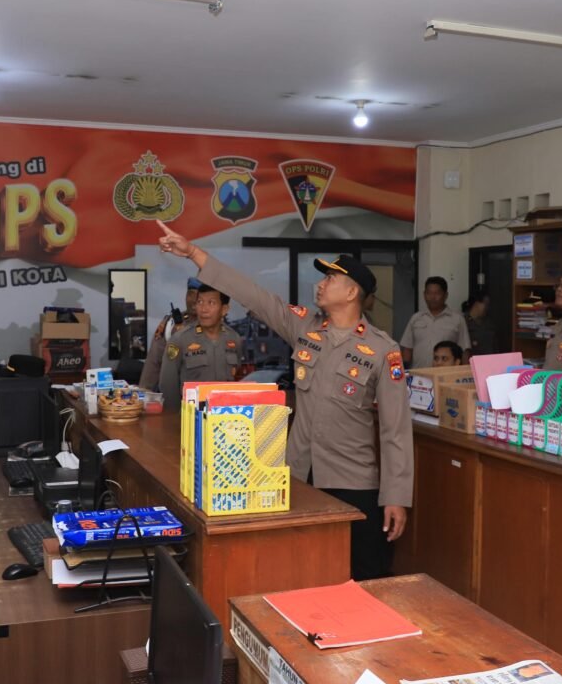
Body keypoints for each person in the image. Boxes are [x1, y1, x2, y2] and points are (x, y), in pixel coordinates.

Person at [156, 221, 413, 581]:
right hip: (298, 477)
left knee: (361, 577)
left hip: (354, 483)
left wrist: (396, 496)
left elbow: (395, 430)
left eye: (330, 279)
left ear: (352, 292)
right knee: (298, 572)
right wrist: (194, 253)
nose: (320, 284)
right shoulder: (305, 327)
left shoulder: (383, 350)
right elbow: (254, 295)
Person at [159, 284, 243, 408]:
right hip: (191, 415)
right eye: (200, 302)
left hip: (225, 414)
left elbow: (237, 376)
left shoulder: (234, 339)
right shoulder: (179, 340)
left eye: (211, 303)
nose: (204, 309)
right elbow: (168, 386)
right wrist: (177, 416)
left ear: (224, 309)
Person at [139, 277, 201, 390]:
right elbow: (154, 363)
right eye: (190, 294)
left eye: (199, 296)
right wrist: (144, 393)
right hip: (176, 394)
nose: (193, 300)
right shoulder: (171, 324)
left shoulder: (217, 328)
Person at [401, 277, 471, 369]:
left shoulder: (457, 320)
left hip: (445, 374)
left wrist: (465, 373)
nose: (432, 297)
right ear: (424, 294)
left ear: (445, 295)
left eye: (437, 293)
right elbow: (407, 349)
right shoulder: (416, 318)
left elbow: (465, 351)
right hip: (419, 374)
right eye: (429, 293)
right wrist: (405, 372)